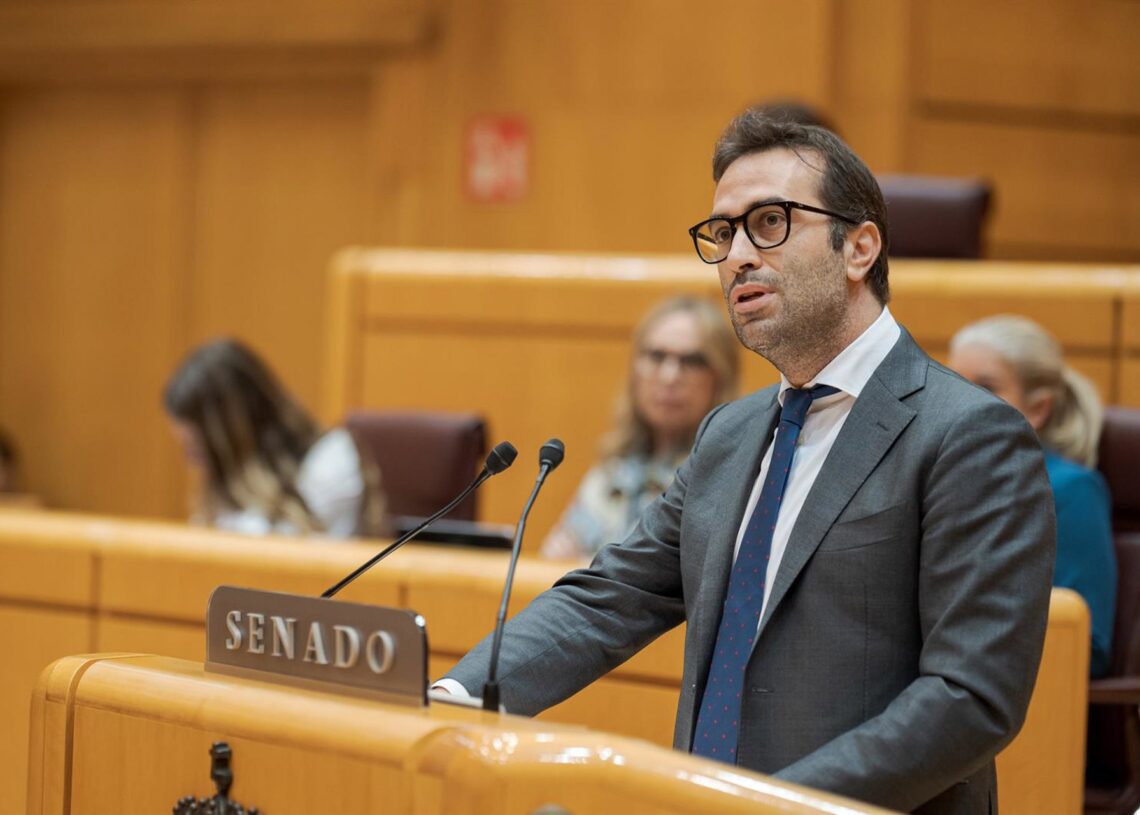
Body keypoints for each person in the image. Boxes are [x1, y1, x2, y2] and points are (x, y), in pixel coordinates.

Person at [439, 109, 1054, 813]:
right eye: (723, 232)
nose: (736, 255)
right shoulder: (729, 435)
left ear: (859, 248)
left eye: (769, 222)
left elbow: (969, 699)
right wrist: (454, 695)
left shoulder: (969, 435)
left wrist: (768, 806)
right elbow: (610, 595)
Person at [950, 315, 1116, 677]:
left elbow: (1087, 643)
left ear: (1038, 408)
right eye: (954, 384)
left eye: (986, 386)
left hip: (1018, 698)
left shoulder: (1072, 489)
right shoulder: (937, 481)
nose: (960, 401)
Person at [541, 296, 739, 559]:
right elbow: (560, 554)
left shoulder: (726, 480)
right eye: (657, 356)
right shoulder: (611, 469)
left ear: (720, 377)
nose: (670, 377)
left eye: (691, 361)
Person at [164, 338, 386, 539]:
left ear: (229, 439)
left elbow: (301, 560)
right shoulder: (225, 486)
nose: (192, 462)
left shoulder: (330, 459)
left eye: (197, 449)